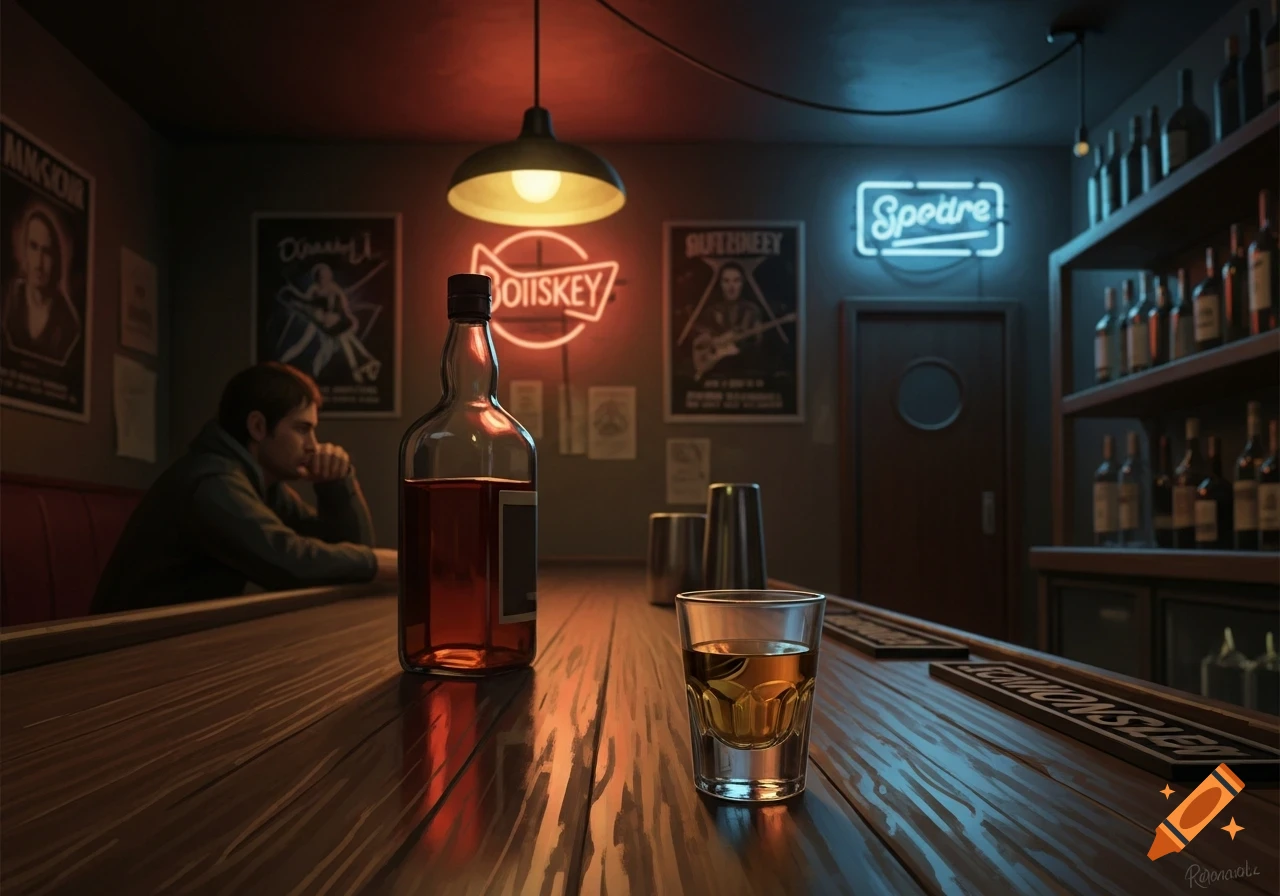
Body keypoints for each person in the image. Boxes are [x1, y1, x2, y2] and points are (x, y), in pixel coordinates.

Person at [91, 362, 397, 613]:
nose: (313, 446)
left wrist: (336, 485)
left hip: (172, 644)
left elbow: (344, 551)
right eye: (302, 429)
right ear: (258, 427)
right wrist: (376, 563)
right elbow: (289, 561)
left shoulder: (263, 484)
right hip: (120, 651)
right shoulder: (211, 483)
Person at [278, 263, 381, 384]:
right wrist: (293, 294)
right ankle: (280, 364)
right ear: (317, 277)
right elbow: (305, 300)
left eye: (325, 277)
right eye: (320, 277)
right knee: (302, 344)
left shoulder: (334, 289)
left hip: (332, 325)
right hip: (320, 323)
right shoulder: (314, 289)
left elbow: (344, 308)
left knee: (342, 341)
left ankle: (358, 365)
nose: (323, 280)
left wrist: (348, 319)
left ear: (329, 277)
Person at [3, 208, 81, 364]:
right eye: (33, 247)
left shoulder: (68, 323)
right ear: (24, 251)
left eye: (46, 252)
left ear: (56, 259)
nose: (38, 263)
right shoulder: (10, 296)